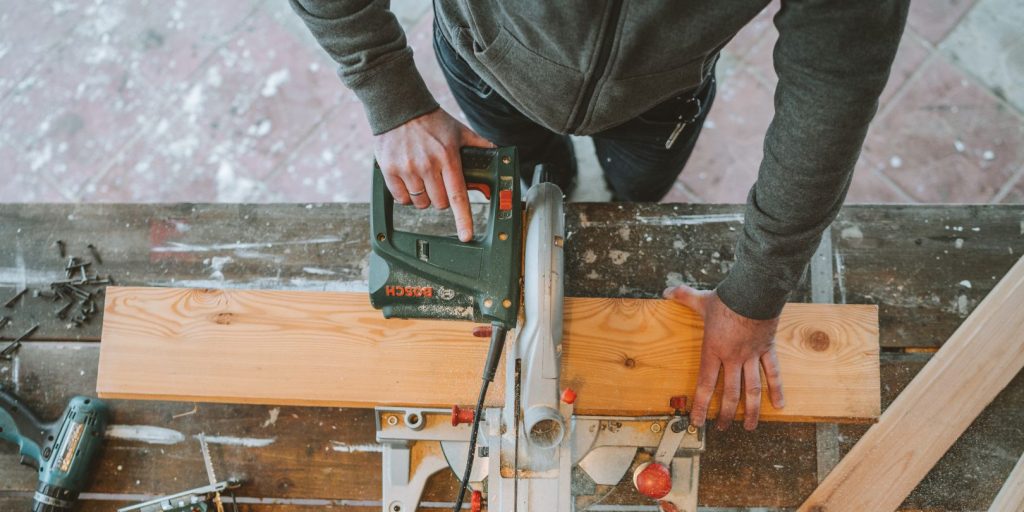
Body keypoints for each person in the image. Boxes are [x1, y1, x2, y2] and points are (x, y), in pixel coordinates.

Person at [291, 0, 908, 431]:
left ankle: (605, 192)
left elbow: (835, 84)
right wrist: (390, 93)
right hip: (487, 64)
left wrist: (758, 291)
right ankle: (554, 180)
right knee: (534, 175)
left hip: (660, 103)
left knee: (636, 196)